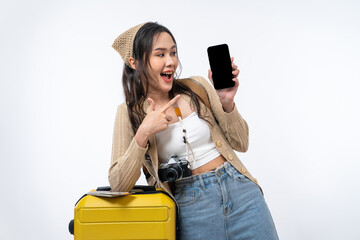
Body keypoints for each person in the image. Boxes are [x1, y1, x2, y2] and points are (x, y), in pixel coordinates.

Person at [109, 22, 278, 240]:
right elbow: (118, 184)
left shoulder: (196, 87)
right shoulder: (128, 113)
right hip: (191, 205)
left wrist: (227, 102)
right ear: (135, 62)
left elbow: (241, 143)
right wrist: (143, 134)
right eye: (160, 54)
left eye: (173, 52)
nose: (170, 61)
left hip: (241, 193)